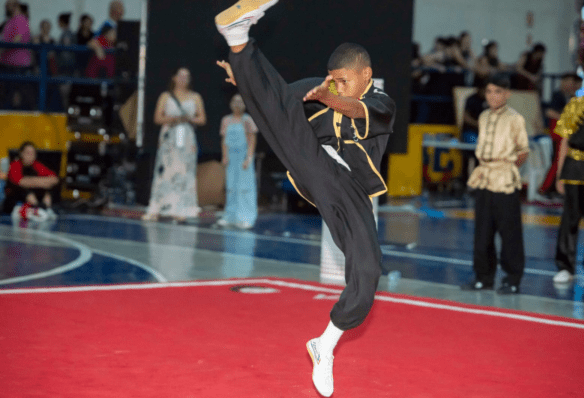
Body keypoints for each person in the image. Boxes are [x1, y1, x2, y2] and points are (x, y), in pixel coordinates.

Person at [215, 1, 396, 396]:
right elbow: (275, 97)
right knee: (280, 113)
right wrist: (243, 74)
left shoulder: (380, 102)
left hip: (352, 194)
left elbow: (351, 106)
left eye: (344, 80)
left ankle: (325, 344)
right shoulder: (322, 87)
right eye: (332, 79)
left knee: (368, 273)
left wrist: (329, 96)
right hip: (315, 169)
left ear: (366, 75)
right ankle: (239, 40)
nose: (335, 85)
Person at [461, 75, 529, 294]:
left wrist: (507, 168)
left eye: (497, 92)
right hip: (484, 176)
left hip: (504, 176)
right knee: (482, 231)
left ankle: (512, 278)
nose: (492, 96)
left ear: (507, 94)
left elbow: (523, 151)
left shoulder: (515, 119)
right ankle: (483, 276)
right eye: (489, 91)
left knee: (509, 232)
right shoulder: (483, 116)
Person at [552, 58, 584, 285]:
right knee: (569, 221)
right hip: (572, 168)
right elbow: (564, 142)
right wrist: (560, 174)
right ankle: (565, 266)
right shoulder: (574, 104)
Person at [142, 67, 207, 222]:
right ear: (174, 78)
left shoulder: (195, 97)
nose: (184, 79)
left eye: (187, 76)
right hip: (170, 136)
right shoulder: (166, 96)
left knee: (184, 172)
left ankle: (181, 209)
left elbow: (202, 119)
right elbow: (157, 118)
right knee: (165, 171)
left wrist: (188, 119)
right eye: (181, 76)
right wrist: (172, 119)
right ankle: (157, 208)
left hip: (186, 136)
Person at [217, 93, 259, 229]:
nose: (237, 104)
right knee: (231, 187)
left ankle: (246, 217)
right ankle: (231, 216)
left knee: (244, 187)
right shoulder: (226, 120)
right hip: (231, 158)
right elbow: (224, 140)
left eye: (240, 101)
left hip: (243, 158)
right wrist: (224, 156)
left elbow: (252, 140)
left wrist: (248, 158)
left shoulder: (247, 120)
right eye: (234, 101)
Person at [539, 73, 582, 196]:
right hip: (559, 135)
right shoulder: (558, 95)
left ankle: (554, 189)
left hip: (564, 135)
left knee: (561, 162)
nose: (574, 86)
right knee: (557, 162)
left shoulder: (571, 97)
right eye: (572, 82)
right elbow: (550, 112)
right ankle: (545, 188)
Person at [3, 141, 59, 220]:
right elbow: (21, 182)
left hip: (33, 195)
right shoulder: (15, 164)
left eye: (33, 153)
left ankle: (46, 208)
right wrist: (43, 182)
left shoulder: (36, 165)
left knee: (49, 190)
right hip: (14, 198)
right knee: (23, 189)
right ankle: (37, 207)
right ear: (21, 154)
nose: (31, 156)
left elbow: (55, 179)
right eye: (28, 153)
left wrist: (36, 182)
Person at [0, 0, 32, 109]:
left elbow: (18, 38)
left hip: (16, 65)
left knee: (13, 96)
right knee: (7, 95)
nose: (7, 8)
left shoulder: (20, 19)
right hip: (8, 64)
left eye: (9, 5)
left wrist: (3, 48)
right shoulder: (11, 21)